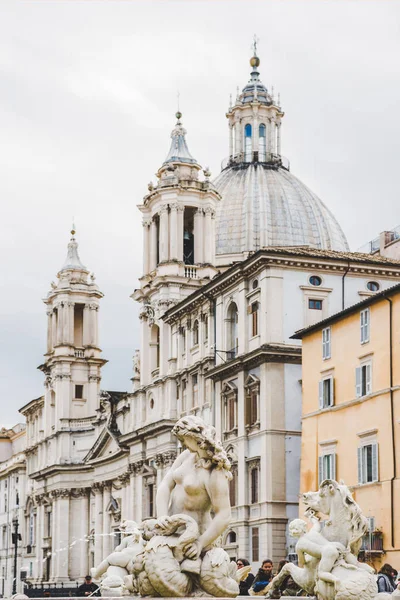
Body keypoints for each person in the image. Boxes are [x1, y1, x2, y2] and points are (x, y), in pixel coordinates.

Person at [156, 415, 232, 561]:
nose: (182, 443)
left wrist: (200, 543)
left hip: (195, 537)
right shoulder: (186, 456)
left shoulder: (215, 471)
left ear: (194, 437)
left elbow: (224, 514)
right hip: (170, 530)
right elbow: (165, 485)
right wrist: (162, 515)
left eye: (184, 439)